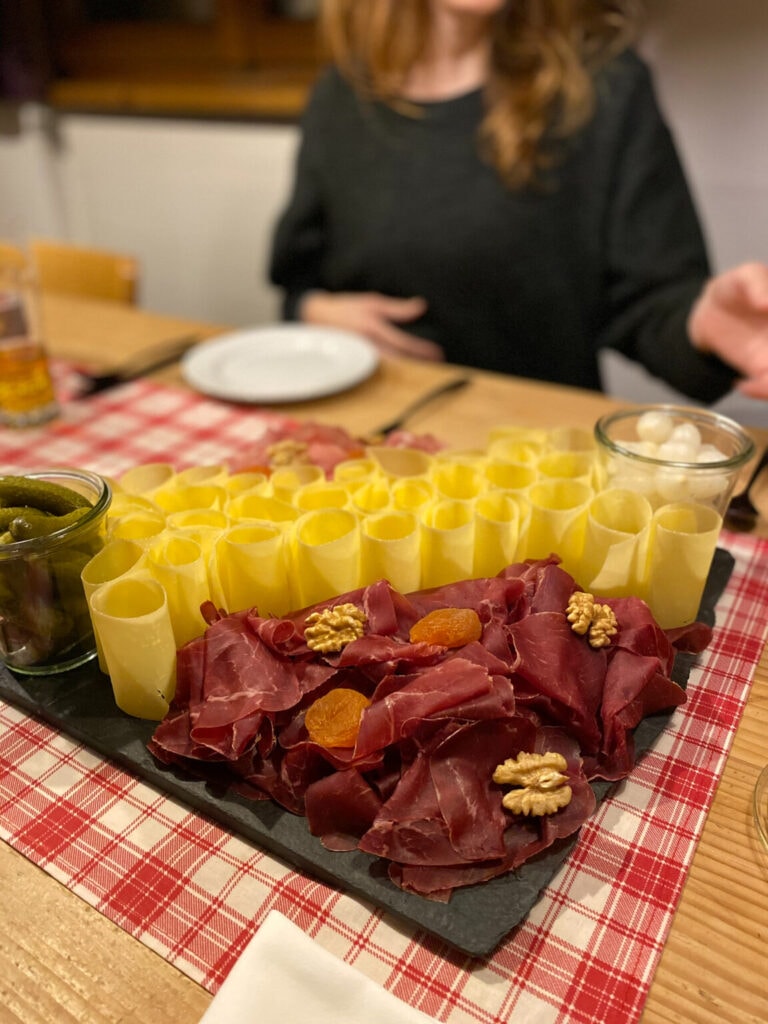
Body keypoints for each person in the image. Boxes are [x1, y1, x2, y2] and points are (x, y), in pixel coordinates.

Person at [269, 0, 768, 402]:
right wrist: (312, 312)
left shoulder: (606, 88)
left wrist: (702, 322)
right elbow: (298, 279)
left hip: (537, 462)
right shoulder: (341, 94)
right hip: (374, 436)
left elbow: (651, 304)